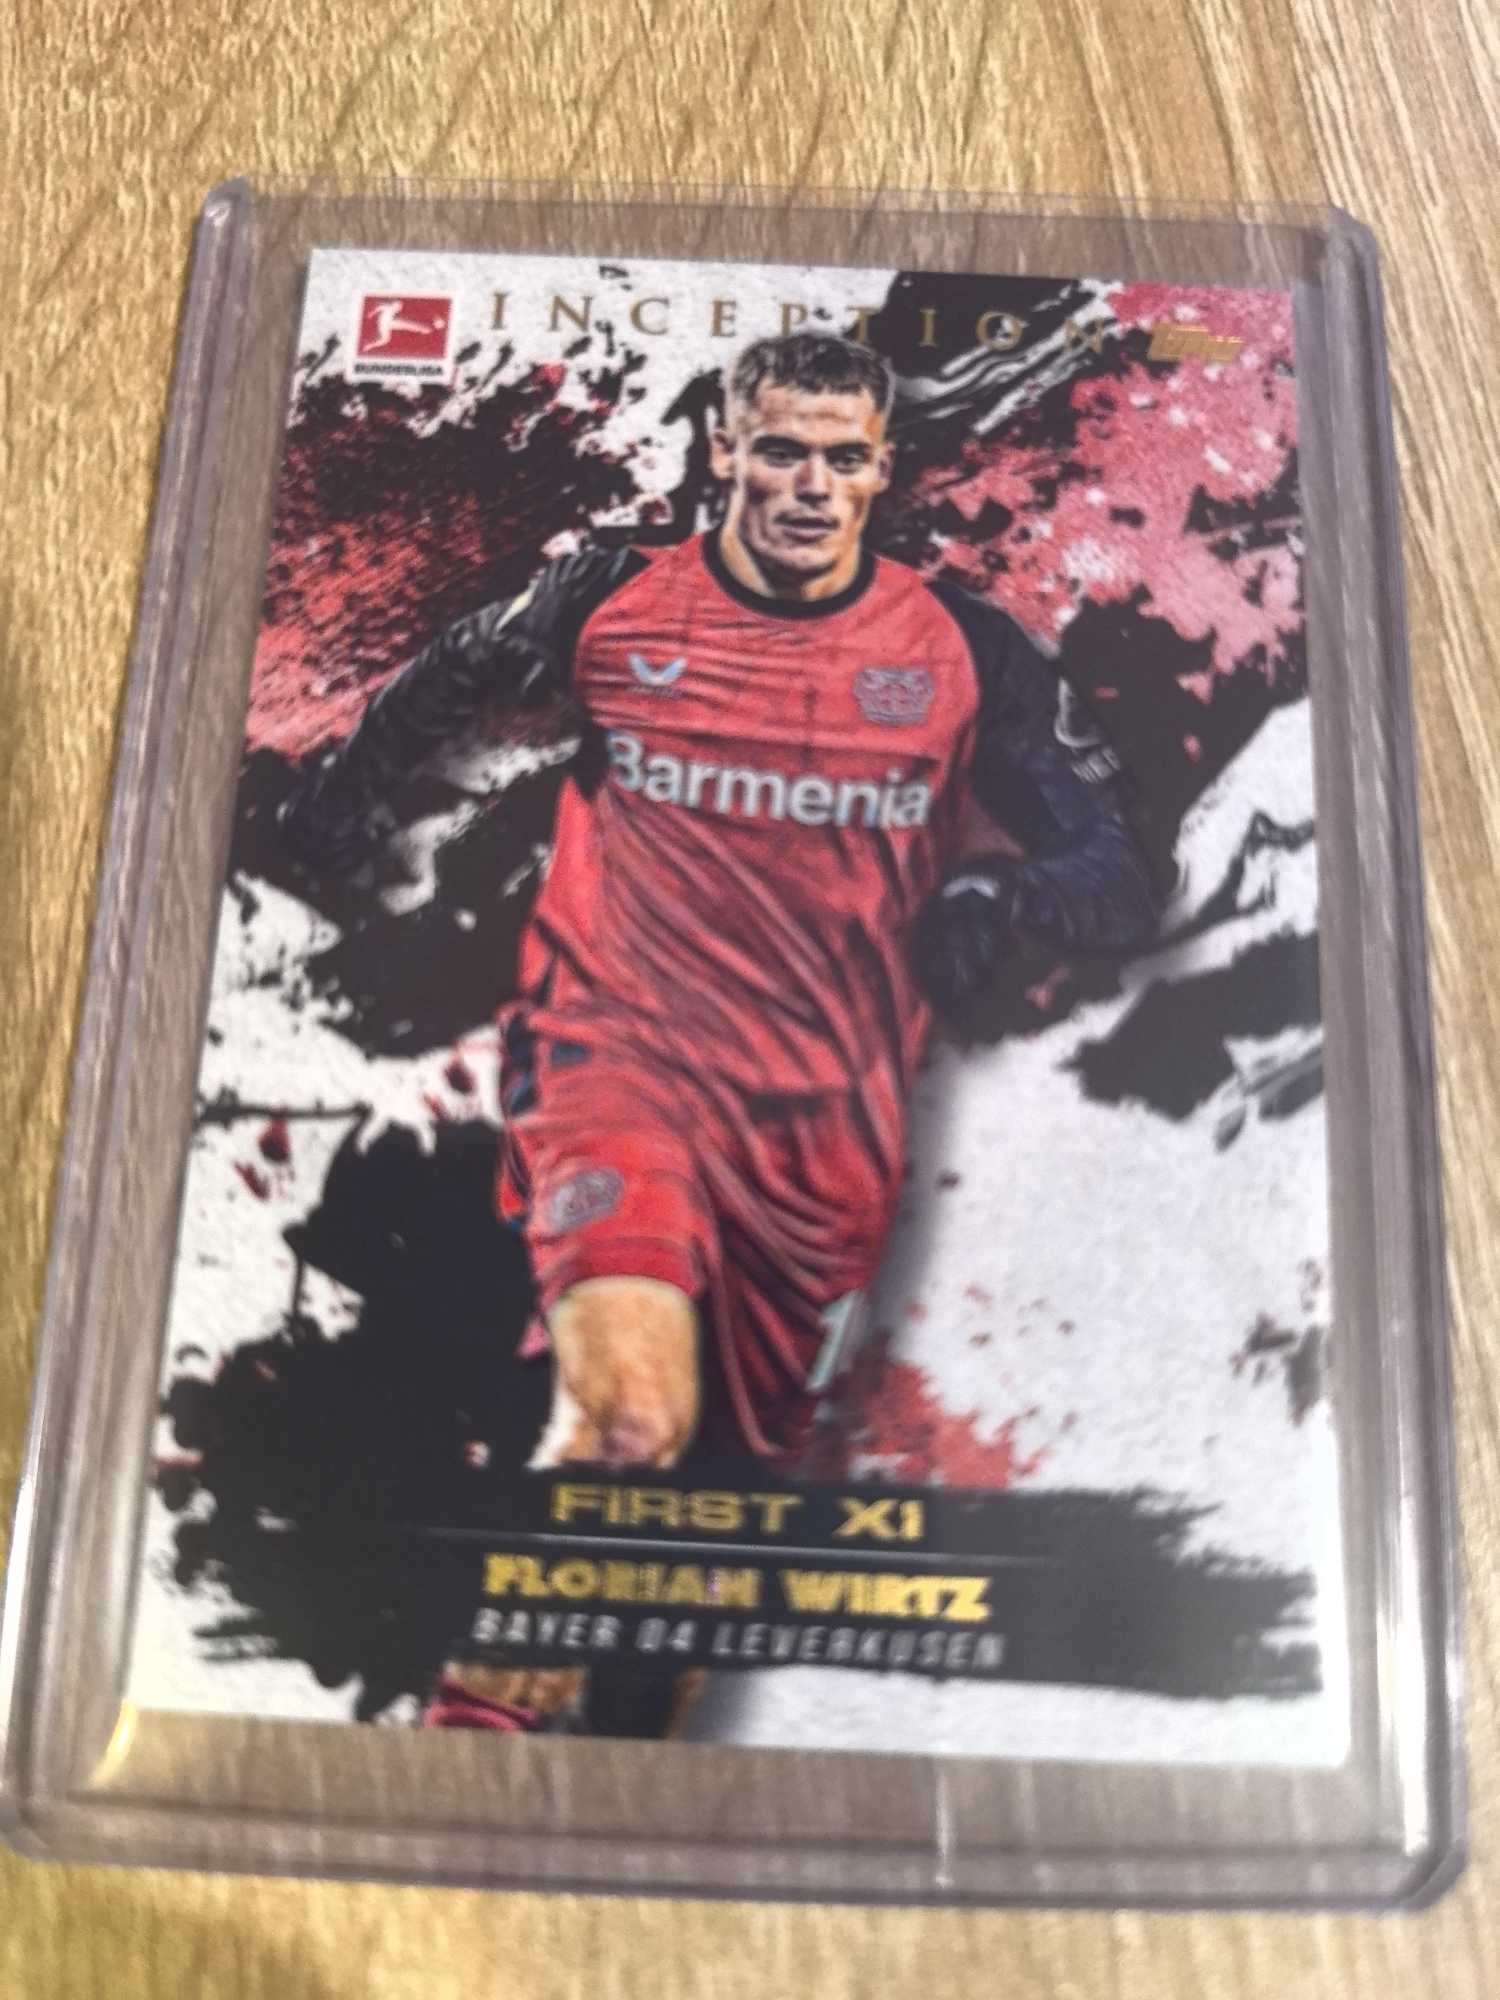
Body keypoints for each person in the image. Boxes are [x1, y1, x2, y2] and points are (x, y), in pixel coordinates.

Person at [282, 330, 1158, 1728]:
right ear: (724, 451)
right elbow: (447, 674)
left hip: (823, 1138)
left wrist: (1010, 893)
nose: (809, 484)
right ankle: (448, 1780)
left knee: (699, 1555)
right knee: (627, 1422)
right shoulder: (614, 599)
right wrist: (337, 812)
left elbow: (1119, 873)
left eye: (840, 458)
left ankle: (612, 1789)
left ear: (881, 469)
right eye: (780, 451)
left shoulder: (963, 649)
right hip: (614, 1062)